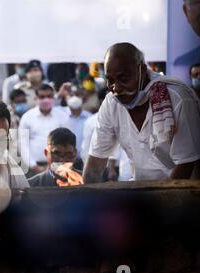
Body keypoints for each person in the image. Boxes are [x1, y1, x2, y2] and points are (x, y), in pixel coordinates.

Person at [83, 42, 200, 183]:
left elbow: (185, 165)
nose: (116, 88)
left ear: (142, 71)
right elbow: (94, 166)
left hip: (181, 194)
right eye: (110, 80)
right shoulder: (111, 103)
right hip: (140, 193)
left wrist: (157, 203)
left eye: (123, 79)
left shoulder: (178, 99)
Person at [18, 84, 70, 176]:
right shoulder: (27, 117)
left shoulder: (62, 116)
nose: (46, 99)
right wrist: (34, 166)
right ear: (36, 98)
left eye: (49, 96)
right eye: (42, 97)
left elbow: (68, 142)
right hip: (33, 167)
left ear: (54, 98)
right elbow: (23, 144)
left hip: (59, 166)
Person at [63, 95, 92, 164]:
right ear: (69, 107)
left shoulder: (89, 117)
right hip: (66, 158)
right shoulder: (63, 116)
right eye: (73, 109)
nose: (74, 111)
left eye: (76, 109)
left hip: (84, 159)